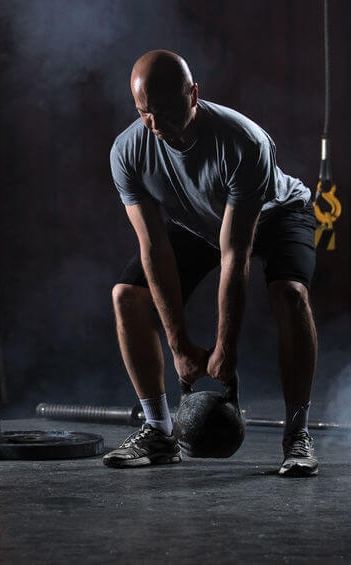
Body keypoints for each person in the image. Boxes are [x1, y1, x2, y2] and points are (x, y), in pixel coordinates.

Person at [102, 50, 319, 477]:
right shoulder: (128, 152)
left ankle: (297, 433)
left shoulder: (244, 141)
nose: (155, 124)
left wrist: (226, 351)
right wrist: (180, 346)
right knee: (127, 295)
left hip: (276, 214)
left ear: (194, 94)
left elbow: (235, 254)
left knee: (290, 294)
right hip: (202, 220)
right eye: (144, 112)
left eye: (163, 110)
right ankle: (159, 431)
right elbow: (154, 248)